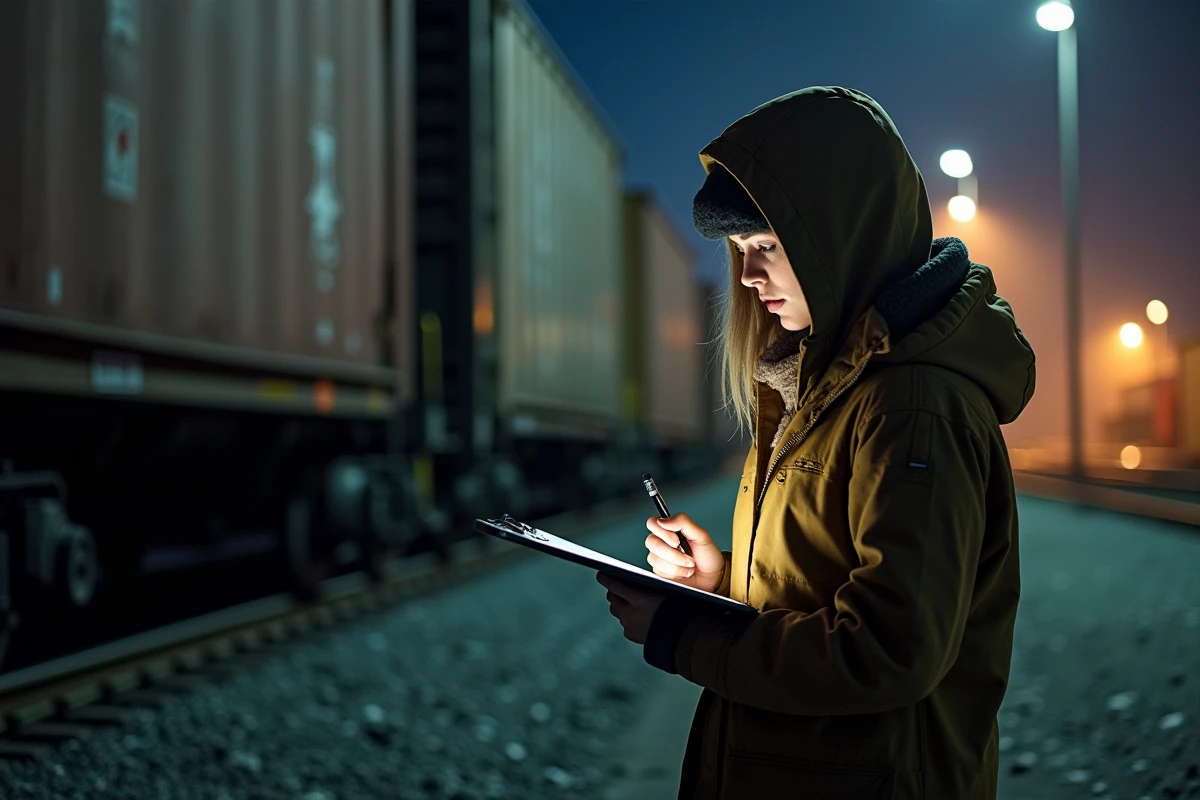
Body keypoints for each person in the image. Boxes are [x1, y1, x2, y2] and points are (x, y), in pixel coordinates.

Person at [597, 86, 1035, 799]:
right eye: (739, 249)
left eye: (767, 245)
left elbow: (888, 650)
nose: (745, 275)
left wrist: (686, 635)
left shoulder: (914, 404)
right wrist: (720, 583)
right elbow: (824, 583)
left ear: (841, 235)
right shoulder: (824, 387)